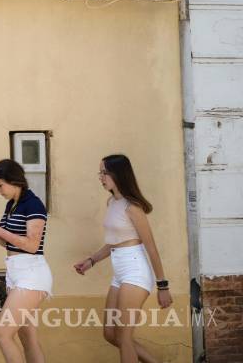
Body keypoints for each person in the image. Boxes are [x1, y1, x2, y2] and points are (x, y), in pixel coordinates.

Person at [73, 154, 172, 363]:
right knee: (111, 334)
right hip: (119, 271)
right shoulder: (112, 202)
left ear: (117, 174)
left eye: (104, 172)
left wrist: (162, 286)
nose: (100, 177)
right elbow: (113, 242)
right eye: (100, 172)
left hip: (135, 270)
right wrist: (92, 260)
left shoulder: (132, 207)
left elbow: (151, 248)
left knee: (124, 337)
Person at [0, 159, 52, 363]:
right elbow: (8, 243)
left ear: (14, 180)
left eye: (0, 185)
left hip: (32, 275)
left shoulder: (33, 204)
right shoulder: (12, 205)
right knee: (28, 339)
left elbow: (32, 245)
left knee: (2, 334)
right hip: (16, 273)